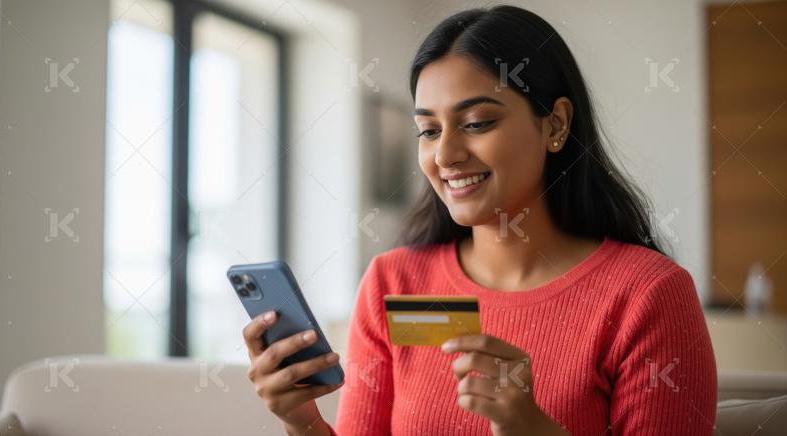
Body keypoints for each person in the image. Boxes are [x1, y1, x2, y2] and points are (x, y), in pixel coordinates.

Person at [243, 5, 717, 435]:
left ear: (555, 125)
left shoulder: (649, 296)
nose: (445, 154)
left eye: (476, 123)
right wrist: (303, 424)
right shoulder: (394, 282)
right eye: (429, 130)